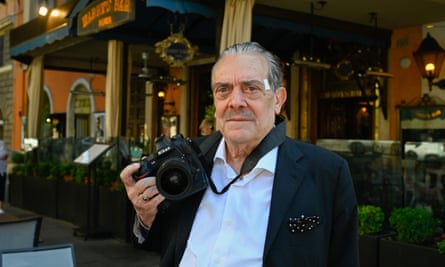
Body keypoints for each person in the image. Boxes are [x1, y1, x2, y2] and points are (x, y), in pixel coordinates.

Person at [120, 42, 359, 266]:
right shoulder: (188, 158)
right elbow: (163, 243)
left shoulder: (327, 172)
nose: (235, 102)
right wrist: (145, 216)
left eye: (251, 88)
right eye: (223, 89)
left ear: (278, 100)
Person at [0, 138, 8, 214]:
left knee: (1, 189)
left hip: (1, 171)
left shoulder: (1, 143)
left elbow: (5, 155)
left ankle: (0, 207)